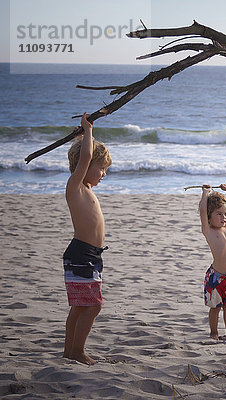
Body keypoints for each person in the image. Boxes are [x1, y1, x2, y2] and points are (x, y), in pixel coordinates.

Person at [63, 112, 112, 365]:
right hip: (82, 254)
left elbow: (85, 155)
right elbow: (85, 156)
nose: (103, 173)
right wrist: (88, 130)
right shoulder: (75, 185)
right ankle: (78, 351)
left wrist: (83, 136)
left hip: (89, 255)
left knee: (81, 306)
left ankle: (70, 352)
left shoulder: (87, 189)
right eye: (101, 168)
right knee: (92, 306)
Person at [199, 184, 226, 340]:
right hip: (216, 277)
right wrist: (205, 194)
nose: (224, 217)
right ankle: (214, 333)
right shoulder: (208, 231)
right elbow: (202, 210)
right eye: (219, 214)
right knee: (215, 308)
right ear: (209, 216)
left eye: (225, 214)